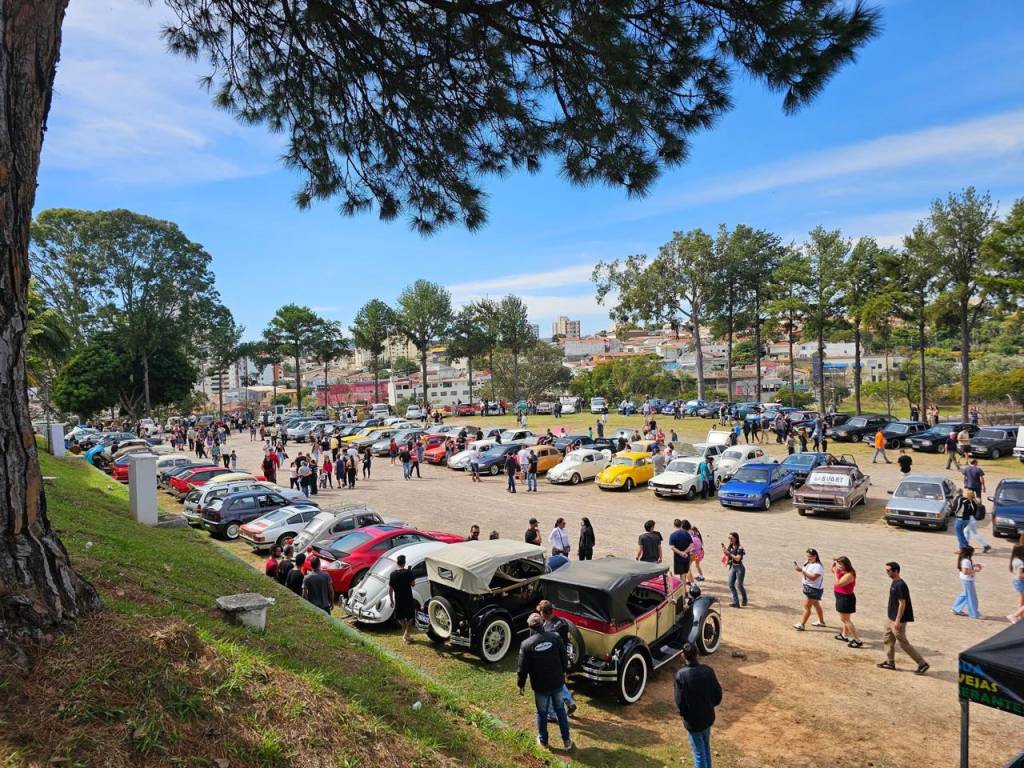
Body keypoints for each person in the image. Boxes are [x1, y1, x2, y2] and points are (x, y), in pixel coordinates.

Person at [517, 613, 575, 752]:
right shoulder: (555, 637)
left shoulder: (526, 645)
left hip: (540, 687)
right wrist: (564, 671)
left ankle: (543, 741)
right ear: (543, 623)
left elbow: (522, 668)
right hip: (557, 683)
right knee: (560, 710)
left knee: (542, 713)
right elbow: (564, 656)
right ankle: (567, 742)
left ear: (530, 627)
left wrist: (521, 684)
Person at [674, 642, 722, 768]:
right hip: (707, 717)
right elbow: (718, 694)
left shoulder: (681, 675)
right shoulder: (708, 671)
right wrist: (710, 706)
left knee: (699, 753)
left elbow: (680, 702)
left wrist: (684, 715)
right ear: (697, 654)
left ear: (683, 655)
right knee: (705, 747)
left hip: (693, 721)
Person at [878, 562, 928, 674]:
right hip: (890, 617)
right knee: (887, 638)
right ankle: (890, 662)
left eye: (888, 570)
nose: (886, 572)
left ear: (896, 571)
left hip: (897, 620)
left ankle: (922, 664)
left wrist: (898, 620)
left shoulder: (900, 585)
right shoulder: (894, 582)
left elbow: (902, 604)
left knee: (903, 643)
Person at [537, 600, 578, 717]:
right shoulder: (563, 623)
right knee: (559, 682)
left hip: (552, 660)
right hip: (563, 657)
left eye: (540, 612)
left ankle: (552, 713)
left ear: (543, 613)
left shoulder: (546, 630)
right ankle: (569, 702)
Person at [831, 556, 862, 648]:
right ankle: (844, 635)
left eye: (842, 564)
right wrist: (835, 563)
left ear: (847, 565)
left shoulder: (849, 575)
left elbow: (839, 584)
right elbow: (833, 569)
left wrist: (836, 572)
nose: (840, 566)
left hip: (845, 599)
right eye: (839, 564)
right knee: (846, 619)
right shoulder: (843, 570)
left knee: (845, 620)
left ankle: (857, 640)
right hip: (842, 597)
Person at [793, 548, 826, 630]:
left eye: (810, 556)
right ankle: (821, 622)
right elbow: (805, 573)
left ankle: (802, 625)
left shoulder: (818, 566)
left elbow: (813, 578)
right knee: (816, 605)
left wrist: (801, 570)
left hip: (814, 589)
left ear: (815, 556)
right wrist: (800, 569)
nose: (808, 558)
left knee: (807, 607)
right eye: (807, 556)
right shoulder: (807, 562)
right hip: (809, 587)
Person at [389, 553, 417, 643]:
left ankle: (405, 635)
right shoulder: (408, 572)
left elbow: (390, 589)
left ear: (397, 563)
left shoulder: (392, 574)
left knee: (401, 617)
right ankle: (406, 633)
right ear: (404, 563)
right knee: (410, 617)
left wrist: (391, 600)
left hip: (398, 598)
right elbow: (413, 584)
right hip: (408, 598)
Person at [951, 545, 983, 619]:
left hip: (966, 580)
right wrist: (975, 570)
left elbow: (965, 568)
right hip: (967, 580)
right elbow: (965, 571)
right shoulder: (966, 561)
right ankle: (974, 614)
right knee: (971, 597)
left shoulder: (964, 559)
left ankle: (955, 608)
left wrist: (974, 565)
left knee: (965, 594)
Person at [722, 532, 746, 607]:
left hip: (739, 568)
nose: (730, 539)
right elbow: (727, 554)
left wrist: (729, 553)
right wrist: (724, 550)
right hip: (733, 567)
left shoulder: (740, 548)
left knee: (739, 586)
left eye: (731, 538)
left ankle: (744, 599)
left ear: (736, 538)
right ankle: (736, 602)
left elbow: (738, 558)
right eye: (729, 538)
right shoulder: (731, 546)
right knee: (730, 584)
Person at [668, 519, 693, 583]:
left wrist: (681, 553)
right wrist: (684, 552)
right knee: (684, 574)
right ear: (681, 525)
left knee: (682, 575)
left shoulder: (672, 535)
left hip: (678, 558)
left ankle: (684, 588)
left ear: (674, 525)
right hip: (686, 557)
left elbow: (672, 547)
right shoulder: (687, 534)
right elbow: (691, 545)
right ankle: (685, 587)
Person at [1007, 544, 1024, 624]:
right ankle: (1014, 615)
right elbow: (1021, 575)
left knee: (1022, 601)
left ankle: (1020, 616)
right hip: (1021, 582)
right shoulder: (1021, 562)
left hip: (1017, 581)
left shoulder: (1014, 559)